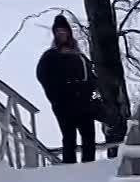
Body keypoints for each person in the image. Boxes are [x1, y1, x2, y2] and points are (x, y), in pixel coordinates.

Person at [36, 15, 98, 164]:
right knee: (69, 137)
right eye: (58, 31)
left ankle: (90, 169)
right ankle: (69, 170)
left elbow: (92, 78)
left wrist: (92, 95)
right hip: (63, 104)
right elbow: (43, 77)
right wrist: (56, 97)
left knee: (89, 137)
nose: (61, 34)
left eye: (64, 30)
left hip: (84, 103)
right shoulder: (50, 56)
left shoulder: (80, 57)